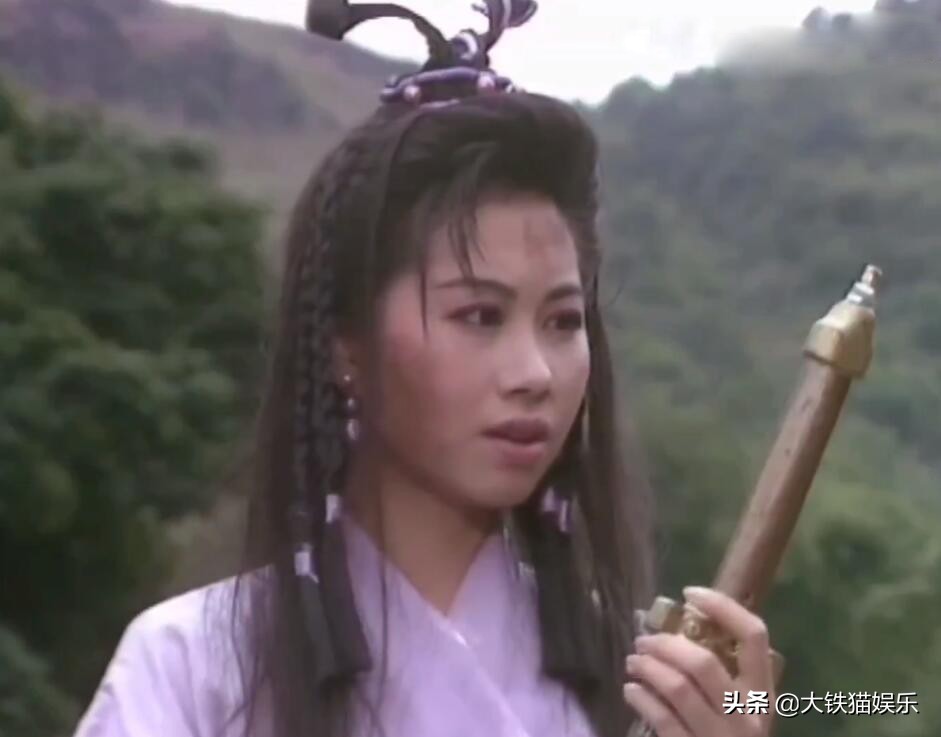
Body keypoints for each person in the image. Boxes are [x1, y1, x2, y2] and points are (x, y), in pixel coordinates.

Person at [73, 2, 777, 736]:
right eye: (479, 315)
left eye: (563, 322)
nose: (535, 372)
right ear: (347, 346)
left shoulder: (652, 680)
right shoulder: (193, 666)